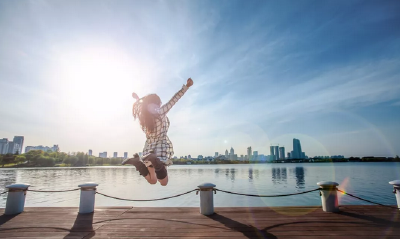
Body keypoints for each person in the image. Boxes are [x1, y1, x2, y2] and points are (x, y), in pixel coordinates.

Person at [122, 78, 194, 186]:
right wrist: (186, 87)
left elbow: (141, 104)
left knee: (152, 180)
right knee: (163, 182)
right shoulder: (160, 112)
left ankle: (137, 162)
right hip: (160, 149)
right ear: (158, 103)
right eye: (160, 102)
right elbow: (174, 100)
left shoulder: (145, 117)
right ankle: (158, 165)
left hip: (149, 150)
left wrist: (137, 98)